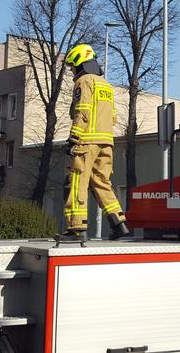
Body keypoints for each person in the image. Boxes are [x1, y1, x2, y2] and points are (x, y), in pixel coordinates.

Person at [55, 44, 130, 244]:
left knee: (77, 182)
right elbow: (112, 117)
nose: (72, 70)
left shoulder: (83, 81)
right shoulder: (105, 85)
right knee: (101, 182)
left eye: (72, 66)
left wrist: (74, 137)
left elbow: (83, 111)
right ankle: (119, 223)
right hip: (106, 141)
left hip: (86, 141)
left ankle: (76, 229)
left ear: (80, 63)